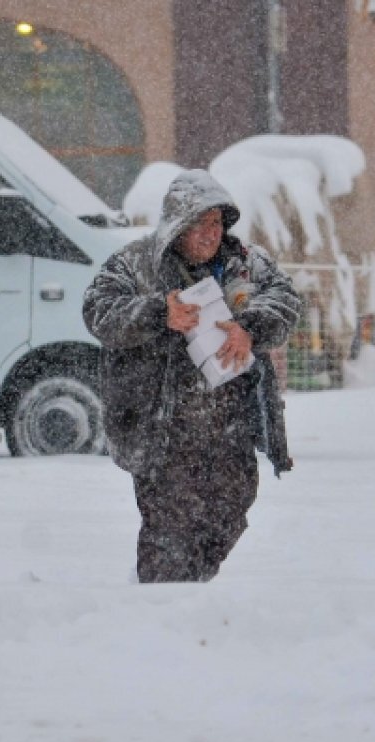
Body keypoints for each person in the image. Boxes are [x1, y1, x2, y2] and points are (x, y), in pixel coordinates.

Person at [82, 169, 301, 583]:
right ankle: (158, 612)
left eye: (216, 223)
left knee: (227, 518)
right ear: (175, 227)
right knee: (167, 539)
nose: (209, 234)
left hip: (231, 432)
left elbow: (286, 300)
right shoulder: (135, 264)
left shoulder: (247, 264)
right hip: (163, 434)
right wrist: (158, 313)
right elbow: (98, 311)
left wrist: (249, 327)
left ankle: (189, 597)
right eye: (197, 224)